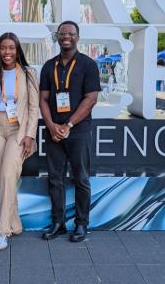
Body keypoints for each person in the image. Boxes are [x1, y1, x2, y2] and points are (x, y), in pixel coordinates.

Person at [39, 20, 101, 243]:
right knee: (55, 179)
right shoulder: (49, 66)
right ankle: (58, 223)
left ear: (78, 37)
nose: (66, 36)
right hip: (54, 132)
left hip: (78, 131)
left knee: (81, 178)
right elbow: (43, 99)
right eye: (62, 33)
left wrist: (69, 125)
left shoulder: (88, 65)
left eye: (71, 33)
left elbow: (91, 99)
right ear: (57, 36)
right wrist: (52, 125)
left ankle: (82, 224)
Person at [0, 33, 39, 251]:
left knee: (6, 175)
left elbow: (34, 108)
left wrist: (30, 135)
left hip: (18, 128)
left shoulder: (28, 73)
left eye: (11, 48)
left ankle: (2, 231)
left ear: (17, 49)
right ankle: (15, 223)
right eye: (3, 48)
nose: (7, 52)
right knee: (6, 180)